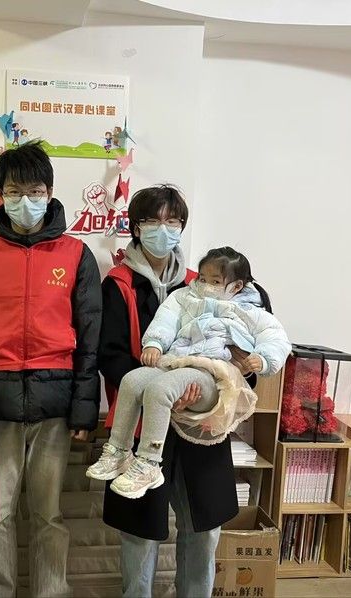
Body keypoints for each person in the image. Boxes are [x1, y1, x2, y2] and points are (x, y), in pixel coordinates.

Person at [0, 141, 102, 597]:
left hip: (56, 404)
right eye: (14, 191)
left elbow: (89, 337)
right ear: (0, 195)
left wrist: (83, 408)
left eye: (34, 191)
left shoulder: (76, 254)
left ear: (49, 192)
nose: (25, 201)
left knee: (48, 514)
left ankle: (51, 593)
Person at [98, 185, 249, 598]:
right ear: (135, 226)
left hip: (200, 422)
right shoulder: (118, 284)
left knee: (204, 526)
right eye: (152, 220)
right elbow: (109, 355)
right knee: (139, 530)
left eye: (173, 220)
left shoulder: (206, 282)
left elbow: (243, 339)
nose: (162, 228)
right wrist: (158, 387)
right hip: (144, 420)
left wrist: (214, 381)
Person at [88, 247, 291, 498]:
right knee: (132, 380)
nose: (205, 285)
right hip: (178, 362)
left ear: (237, 286)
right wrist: (154, 343)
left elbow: (275, 336)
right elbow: (166, 319)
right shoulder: (185, 296)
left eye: (215, 281)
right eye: (202, 278)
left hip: (212, 373)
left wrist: (263, 358)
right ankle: (119, 451)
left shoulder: (250, 310)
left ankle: (149, 462)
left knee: (160, 389)